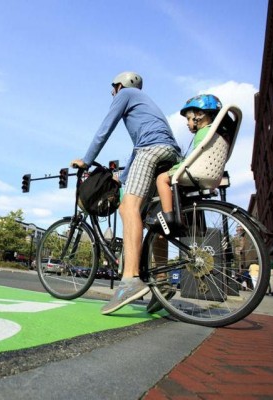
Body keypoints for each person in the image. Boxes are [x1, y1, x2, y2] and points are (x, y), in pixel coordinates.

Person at [71, 71, 181, 315]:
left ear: (119, 85)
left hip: (150, 151)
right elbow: (137, 149)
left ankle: (130, 279)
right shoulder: (147, 106)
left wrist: (86, 161)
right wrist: (123, 177)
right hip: (169, 153)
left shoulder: (126, 94)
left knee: (127, 208)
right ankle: (161, 283)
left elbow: (104, 129)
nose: (112, 93)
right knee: (154, 221)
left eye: (113, 88)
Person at [155, 94, 222, 229]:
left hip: (198, 171)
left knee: (161, 179)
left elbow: (195, 157)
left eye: (189, 119)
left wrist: (178, 166)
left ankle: (168, 217)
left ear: (200, 115)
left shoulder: (202, 133)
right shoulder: (215, 133)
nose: (187, 123)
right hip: (214, 175)